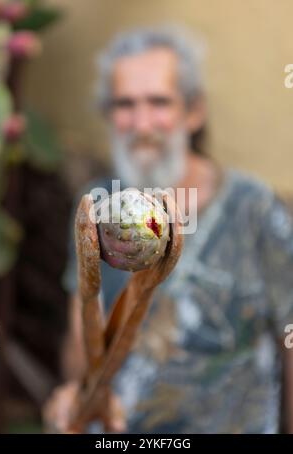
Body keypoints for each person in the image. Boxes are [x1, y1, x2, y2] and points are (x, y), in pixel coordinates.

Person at [44, 25, 293, 434]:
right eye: (125, 104)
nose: (142, 123)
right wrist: (76, 394)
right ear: (108, 115)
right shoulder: (97, 204)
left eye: (159, 102)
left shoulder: (254, 209)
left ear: (193, 112)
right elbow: (82, 339)